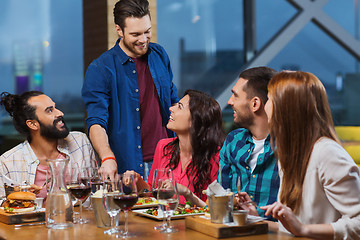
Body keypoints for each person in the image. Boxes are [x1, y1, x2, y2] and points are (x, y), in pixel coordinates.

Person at [82, 0, 178, 182]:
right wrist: (107, 157)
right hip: (129, 167)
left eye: (147, 31)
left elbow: (173, 102)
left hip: (168, 161)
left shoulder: (160, 55)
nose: (143, 40)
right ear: (119, 30)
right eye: (136, 34)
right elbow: (96, 122)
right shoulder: (100, 69)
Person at [262, 71, 360, 239]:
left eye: (269, 98)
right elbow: (295, 229)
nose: (265, 105)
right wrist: (253, 219)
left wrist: (303, 230)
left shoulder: (327, 153)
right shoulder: (291, 155)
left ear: (285, 107)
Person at [126, 90, 225, 206]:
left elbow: (215, 209)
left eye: (180, 107)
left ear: (194, 120)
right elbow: (153, 195)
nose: (171, 109)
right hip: (163, 221)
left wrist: (187, 193)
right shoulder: (163, 147)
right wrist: (138, 181)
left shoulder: (217, 157)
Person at [0, 91, 96, 199]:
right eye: (50, 110)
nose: (60, 113)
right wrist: (18, 197)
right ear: (32, 124)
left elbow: (95, 191)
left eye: (55, 107)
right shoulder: (7, 162)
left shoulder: (80, 142)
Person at [218, 66, 279, 218]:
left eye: (235, 96)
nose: (230, 102)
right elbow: (220, 195)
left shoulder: (288, 147)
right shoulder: (233, 140)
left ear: (255, 104)